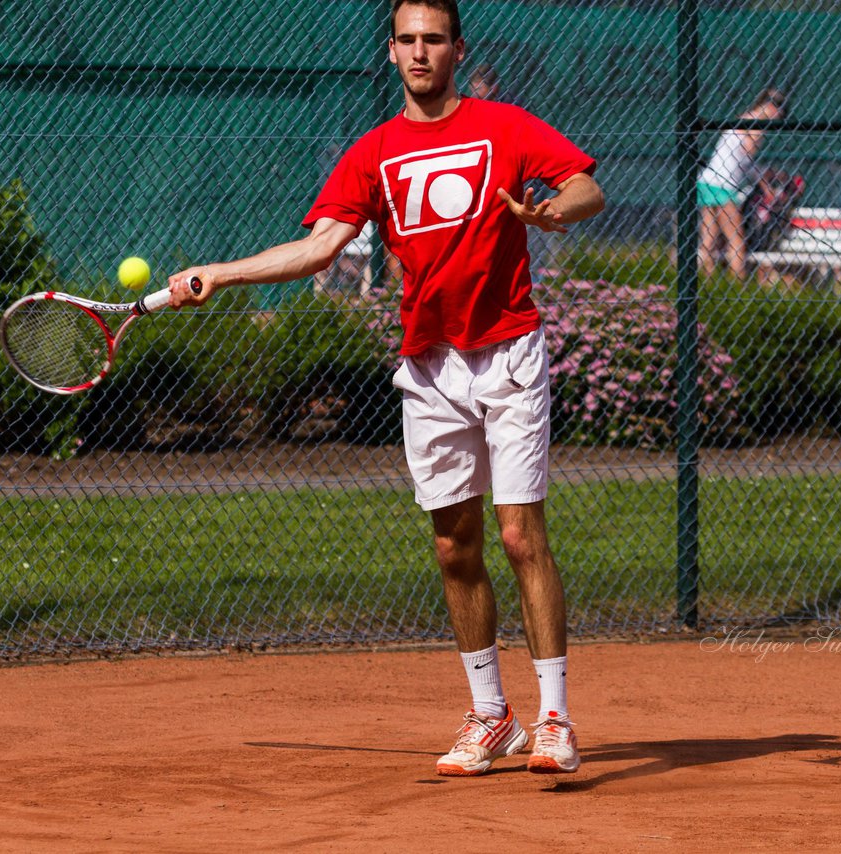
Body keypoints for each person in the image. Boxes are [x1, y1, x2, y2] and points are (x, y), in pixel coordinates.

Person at [166, 0, 605, 777]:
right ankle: (489, 715)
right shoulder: (372, 154)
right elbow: (319, 247)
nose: (420, 52)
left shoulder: (505, 125)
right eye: (406, 40)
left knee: (518, 535)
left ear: (458, 49)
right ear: (392, 51)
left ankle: (556, 718)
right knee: (451, 544)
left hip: (508, 353)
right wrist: (223, 273)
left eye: (433, 39)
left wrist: (549, 211)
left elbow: (584, 189)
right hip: (429, 366)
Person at [686, 87, 786, 279]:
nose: (779, 116)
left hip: (708, 181)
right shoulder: (752, 123)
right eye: (778, 110)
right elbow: (748, 153)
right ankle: (737, 286)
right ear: (770, 107)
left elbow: (746, 164)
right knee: (736, 239)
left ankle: (706, 282)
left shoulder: (746, 121)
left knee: (709, 239)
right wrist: (757, 137)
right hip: (722, 186)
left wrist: (765, 183)